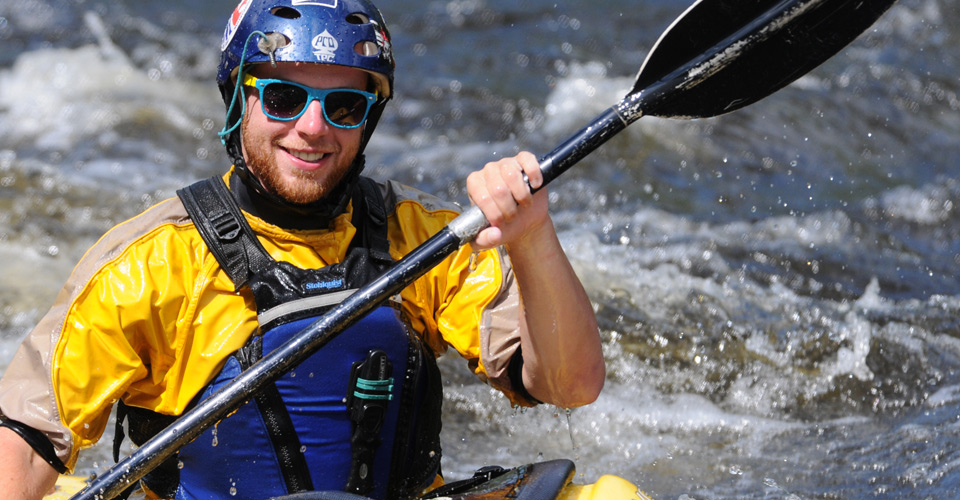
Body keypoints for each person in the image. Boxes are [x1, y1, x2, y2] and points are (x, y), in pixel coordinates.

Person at [0, 0, 604, 498]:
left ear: (368, 119)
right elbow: (23, 444)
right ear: (238, 100)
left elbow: (570, 384)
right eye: (285, 98)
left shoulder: (425, 238)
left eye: (343, 106)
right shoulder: (149, 265)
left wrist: (532, 238)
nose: (313, 127)